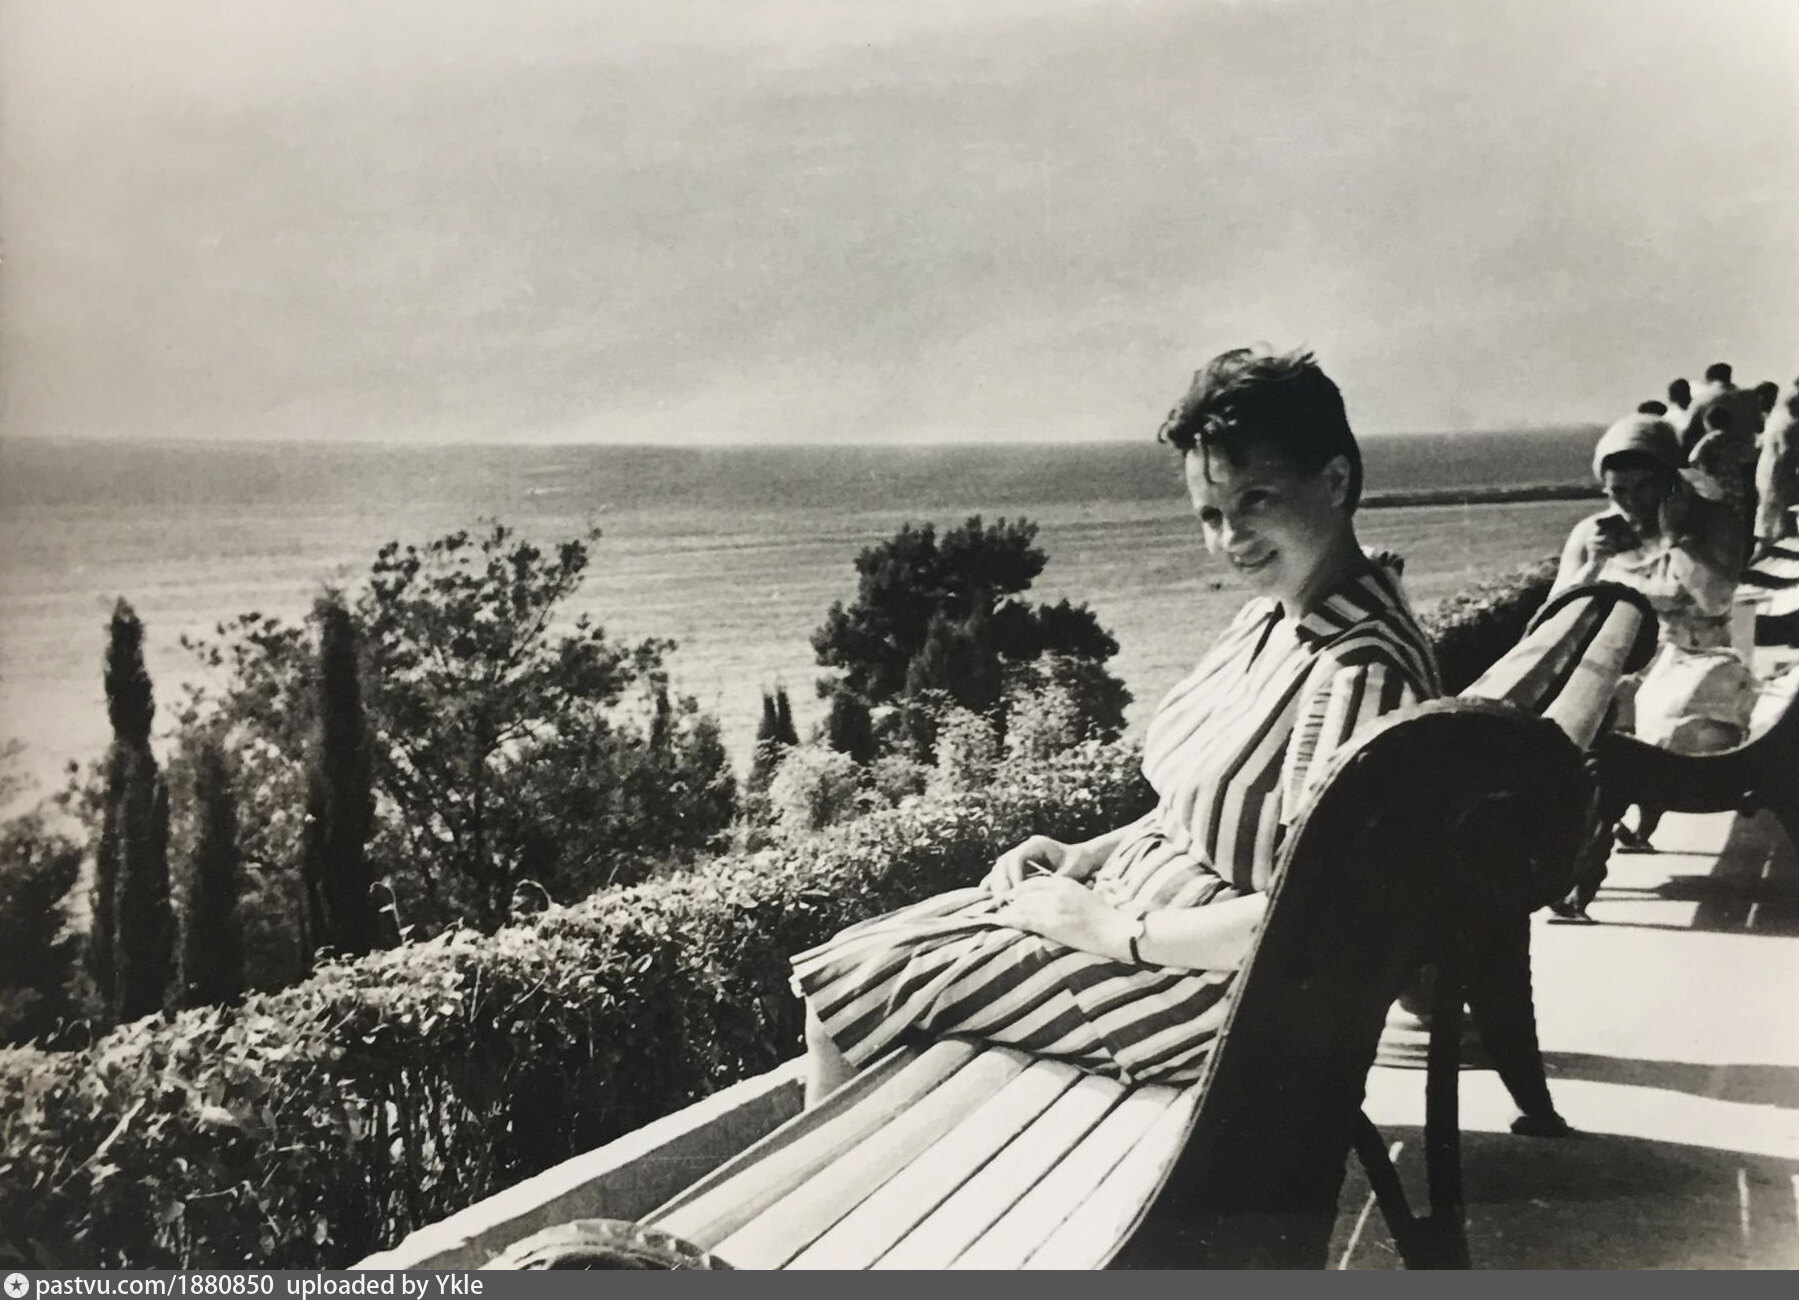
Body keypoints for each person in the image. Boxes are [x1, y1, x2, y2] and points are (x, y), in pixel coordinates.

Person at [790, 347, 1441, 1105]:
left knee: (848, 997)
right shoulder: (1279, 617)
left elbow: (1322, 921)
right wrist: (1086, 855)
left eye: (1256, 499)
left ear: (1333, 481)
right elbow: (1214, 813)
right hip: (1141, 927)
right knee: (855, 962)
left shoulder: (1360, 672)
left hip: (1212, 992)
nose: (1231, 539)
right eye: (1210, 515)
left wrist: (1109, 932)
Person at [1550, 412, 1748, 884]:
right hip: (1627, 664)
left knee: (1638, 734)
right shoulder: (1595, 532)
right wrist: (1592, 564)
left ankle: (1587, 843)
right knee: (1578, 717)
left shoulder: (1711, 521)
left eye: (1643, 488)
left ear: (1671, 479)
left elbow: (1717, 599)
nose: (1630, 502)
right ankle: (1570, 839)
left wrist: (1676, 536)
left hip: (1700, 660)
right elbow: (1554, 613)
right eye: (1617, 492)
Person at [1753, 382, 1799, 556]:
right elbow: (1788, 452)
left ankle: (1765, 551)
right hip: (1779, 472)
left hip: (1768, 468)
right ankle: (1764, 553)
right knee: (1775, 516)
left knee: (1770, 516)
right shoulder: (1791, 424)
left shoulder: (1776, 418)